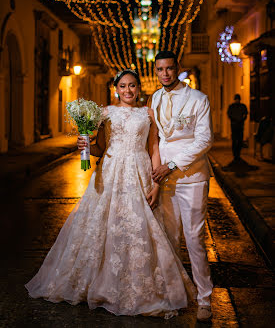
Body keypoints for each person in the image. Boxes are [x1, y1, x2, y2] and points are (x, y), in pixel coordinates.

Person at [25, 69, 195, 318]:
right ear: (116, 89)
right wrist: (84, 145)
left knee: (139, 227)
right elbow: (100, 148)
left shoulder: (148, 113)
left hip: (139, 171)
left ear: (139, 88)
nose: (128, 91)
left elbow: (154, 147)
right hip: (111, 171)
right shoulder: (106, 113)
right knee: (105, 225)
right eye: (123, 86)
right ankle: (99, 283)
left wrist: (156, 184)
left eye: (133, 86)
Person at [149, 51, 214, 322]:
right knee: (169, 237)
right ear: (156, 71)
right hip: (163, 179)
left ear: (178, 68)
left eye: (170, 69)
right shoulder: (154, 98)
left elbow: (204, 140)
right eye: (160, 69)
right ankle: (176, 292)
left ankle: (205, 298)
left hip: (192, 176)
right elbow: (155, 138)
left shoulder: (198, 99)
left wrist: (172, 164)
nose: (165, 74)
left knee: (194, 238)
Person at [227, 94, 248, 161]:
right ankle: (235, 154)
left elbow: (245, 114)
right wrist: (235, 120)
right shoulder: (232, 107)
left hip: (240, 126)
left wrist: (242, 120)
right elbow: (229, 115)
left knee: (239, 141)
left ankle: (238, 154)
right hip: (234, 126)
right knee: (234, 140)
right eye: (236, 99)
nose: (237, 100)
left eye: (238, 99)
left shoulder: (242, 106)